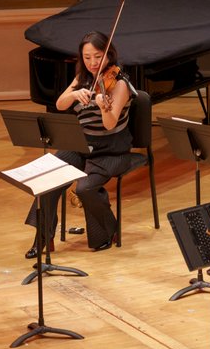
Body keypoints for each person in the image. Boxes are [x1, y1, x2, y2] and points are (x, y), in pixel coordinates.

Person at [24, 31, 134, 256]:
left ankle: (108, 229)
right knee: (47, 177)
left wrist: (104, 106)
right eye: (87, 57)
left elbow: (110, 124)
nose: (93, 63)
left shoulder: (119, 84)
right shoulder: (82, 78)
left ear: (108, 54)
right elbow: (60, 104)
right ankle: (44, 237)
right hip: (82, 145)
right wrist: (75, 95)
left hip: (111, 150)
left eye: (98, 56)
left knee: (85, 188)